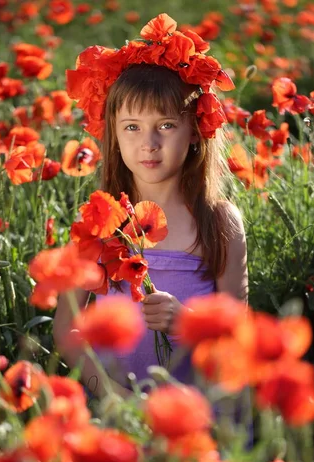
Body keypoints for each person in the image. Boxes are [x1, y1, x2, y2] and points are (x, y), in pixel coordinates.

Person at [53, 14, 248, 400]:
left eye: (165, 125)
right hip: (114, 414)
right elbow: (66, 328)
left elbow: (238, 336)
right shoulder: (98, 221)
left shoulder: (217, 221)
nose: (149, 143)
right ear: (112, 132)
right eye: (132, 127)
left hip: (198, 414)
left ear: (194, 129)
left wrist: (187, 323)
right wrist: (112, 398)